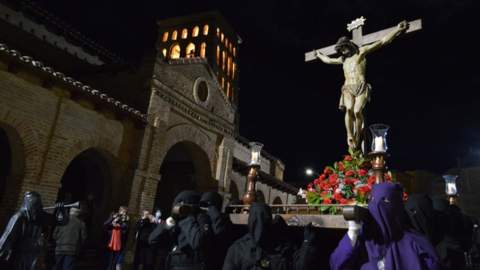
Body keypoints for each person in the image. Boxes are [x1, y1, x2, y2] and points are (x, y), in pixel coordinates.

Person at [314, 21, 408, 152]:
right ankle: (350, 135)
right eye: (340, 49)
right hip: (348, 87)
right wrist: (319, 55)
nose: (342, 51)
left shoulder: (361, 53)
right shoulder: (343, 60)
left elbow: (381, 42)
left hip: (361, 86)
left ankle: (358, 135)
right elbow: (329, 60)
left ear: (349, 45)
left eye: (343, 47)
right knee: (349, 110)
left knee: (357, 111)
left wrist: (397, 30)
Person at [330, 183, 441, 270]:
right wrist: (352, 232)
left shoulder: (415, 243)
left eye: (385, 200)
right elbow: (337, 265)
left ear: (397, 208)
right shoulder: (363, 240)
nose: (377, 206)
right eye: (372, 200)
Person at [224, 202, 311, 270]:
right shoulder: (238, 248)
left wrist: (307, 243)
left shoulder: (283, 245)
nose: (260, 227)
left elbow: (299, 265)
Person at [0, 191, 66, 270]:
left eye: (38, 205)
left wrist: (62, 211)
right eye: (34, 206)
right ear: (28, 205)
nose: (36, 209)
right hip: (18, 254)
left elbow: (61, 222)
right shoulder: (19, 217)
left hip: (33, 255)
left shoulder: (40, 216)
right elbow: (7, 237)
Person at [149, 190, 212, 270]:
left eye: (180, 205)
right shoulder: (176, 220)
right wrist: (166, 226)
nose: (177, 208)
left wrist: (187, 217)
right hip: (171, 264)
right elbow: (152, 240)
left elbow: (197, 242)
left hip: (189, 265)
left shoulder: (200, 219)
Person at [199, 191, 234, 270]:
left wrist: (214, 213)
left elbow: (220, 233)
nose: (204, 209)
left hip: (217, 262)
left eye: (206, 205)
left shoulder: (224, 220)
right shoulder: (201, 218)